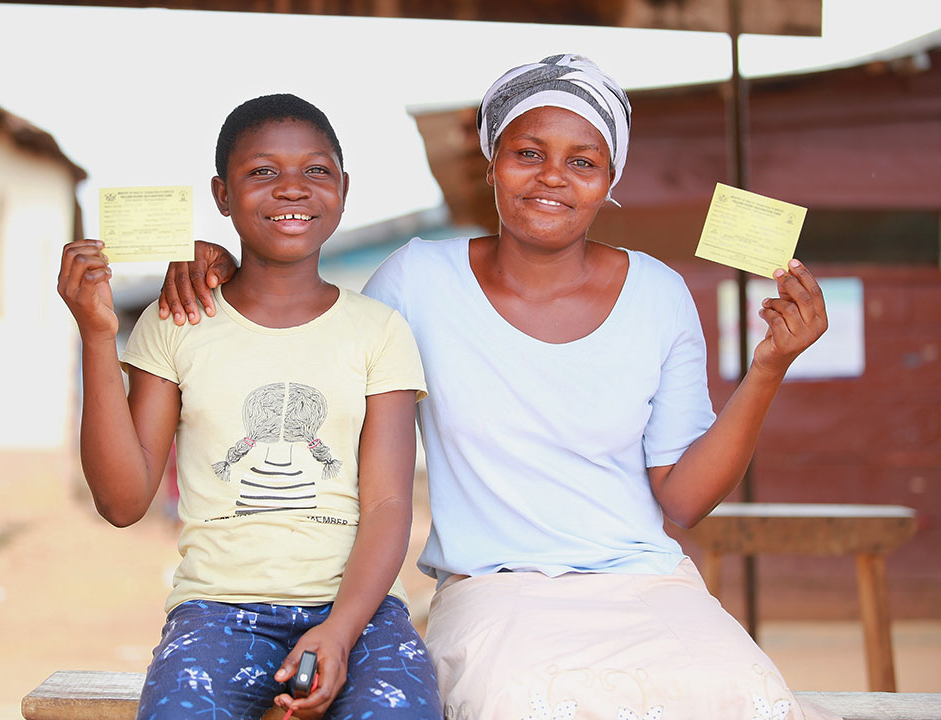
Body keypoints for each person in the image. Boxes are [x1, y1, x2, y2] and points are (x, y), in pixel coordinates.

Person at [156, 56, 835, 720]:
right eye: (528, 152)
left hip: (648, 587)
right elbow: (302, 297)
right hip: (492, 589)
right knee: (522, 704)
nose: (552, 178)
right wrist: (217, 258)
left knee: (744, 694)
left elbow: (683, 501)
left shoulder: (659, 294)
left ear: (609, 179)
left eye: (583, 161)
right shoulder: (418, 281)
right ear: (492, 164)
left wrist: (768, 367)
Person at [57, 93, 441, 720]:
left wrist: (340, 632)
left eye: (316, 171)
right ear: (221, 194)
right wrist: (98, 335)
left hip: (362, 610)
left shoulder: (378, 331)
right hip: (216, 611)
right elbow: (123, 503)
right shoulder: (176, 322)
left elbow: (389, 504)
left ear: (343, 187)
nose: (292, 188)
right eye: (262, 171)